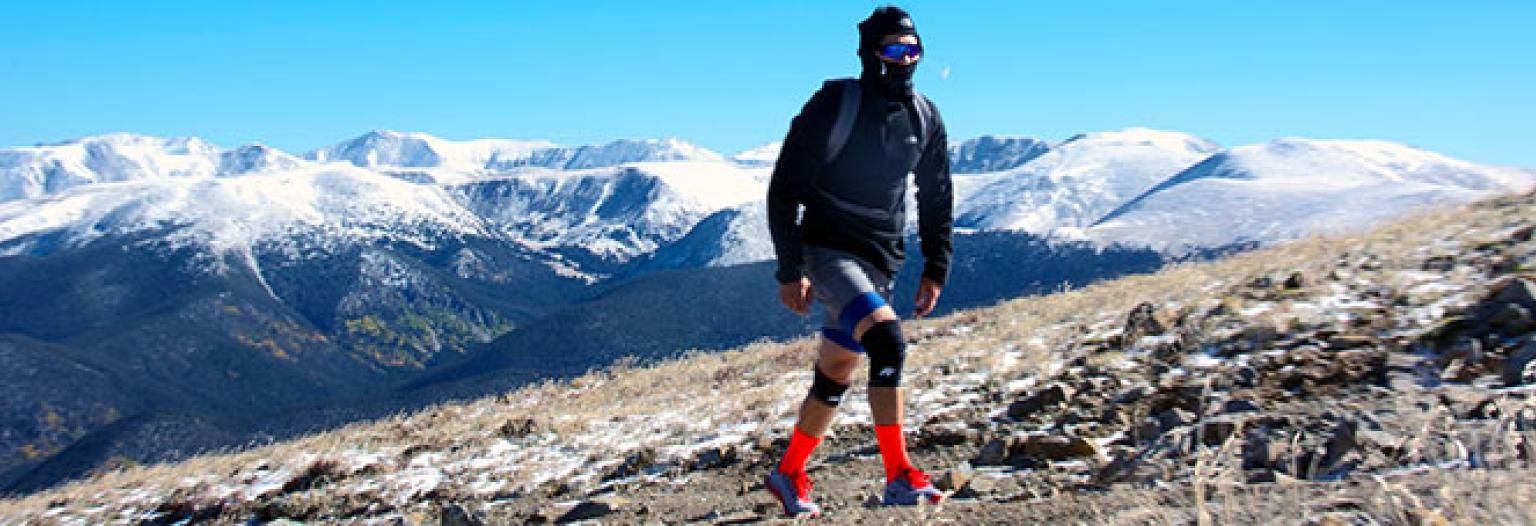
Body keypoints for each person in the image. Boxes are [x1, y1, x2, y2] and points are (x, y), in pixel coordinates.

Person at [762, 5, 953, 518]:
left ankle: (787, 472)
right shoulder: (834, 105)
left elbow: (936, 195)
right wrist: (790, 269)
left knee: (836, 372)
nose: (905, 59)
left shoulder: (925, 117)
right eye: (893, 49)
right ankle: (899, 474)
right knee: (888, 341)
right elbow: (784, 190)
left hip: (881, 261)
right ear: (870, 53)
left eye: (913, 50)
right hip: (827, 250)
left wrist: (936, 266)